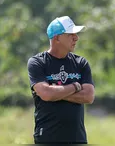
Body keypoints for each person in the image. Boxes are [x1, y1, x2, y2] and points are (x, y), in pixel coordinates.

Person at [27, 16, 95, 144]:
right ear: (57, 38)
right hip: (46, 138)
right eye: (71, 34)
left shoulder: (81, 63)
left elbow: (88, 97)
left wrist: (55, 92)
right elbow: (47, 94)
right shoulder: (37, 62)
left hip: (77, 139)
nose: (76, 37)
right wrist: (74, 87)